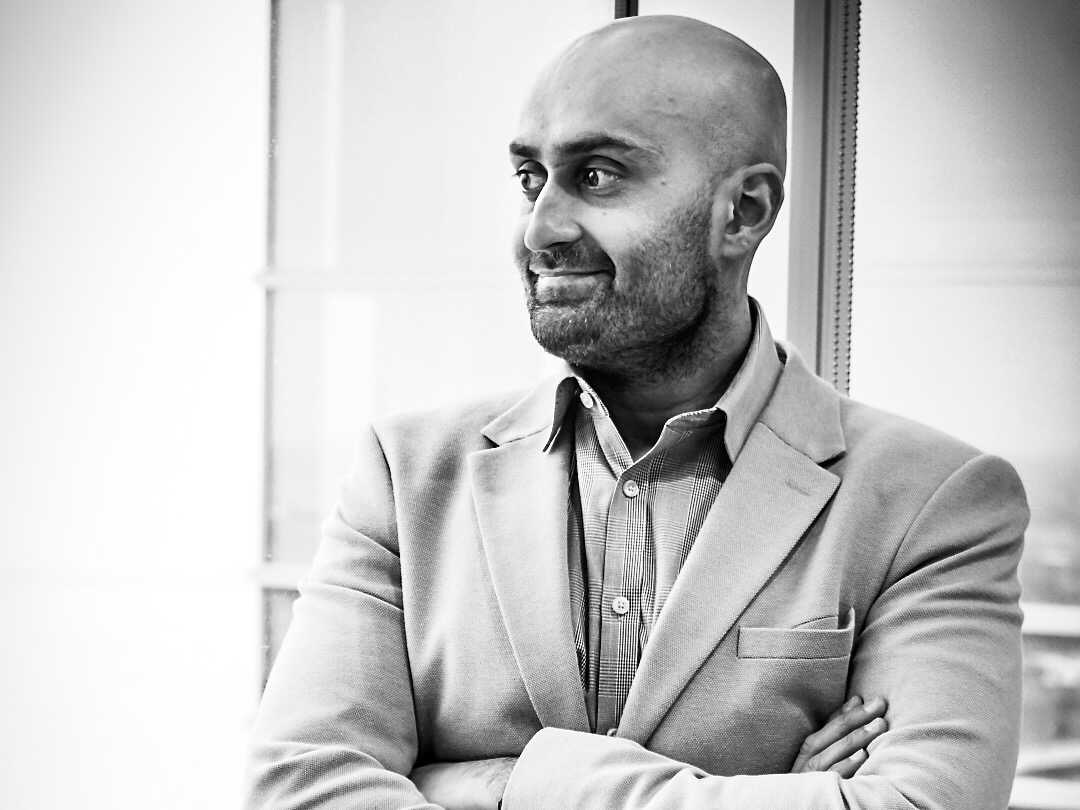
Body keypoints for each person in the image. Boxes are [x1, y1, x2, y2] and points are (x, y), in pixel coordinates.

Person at [246, 15, 1027, 810]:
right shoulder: (404, 475)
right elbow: (296, 792)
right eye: (530, 179)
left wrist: (502, 784)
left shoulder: (935, 501)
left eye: (596, 176)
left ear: (745, 212)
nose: (540, 229)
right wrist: (759, 796)